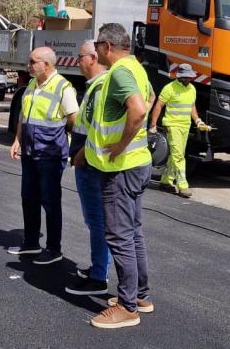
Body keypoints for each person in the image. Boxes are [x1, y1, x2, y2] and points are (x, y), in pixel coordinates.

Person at [85, 23, 154, 329]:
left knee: (119, 235)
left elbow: (139, 110)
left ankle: (127, 307)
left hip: (121, 168)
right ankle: (140, 295)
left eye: (97, 44)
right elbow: (150, 98)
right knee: (134, 232)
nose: (96, 49)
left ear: (108, 46)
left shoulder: (119, 72)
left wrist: (121, 143)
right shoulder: (137, 68)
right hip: (138, 163)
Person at [8, 46, 78, 265]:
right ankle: (31, 243)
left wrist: (73, 149)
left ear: (46, 64)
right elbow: (23, 116)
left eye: (32, 61)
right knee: (28, 198)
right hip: (30, 152)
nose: (28, 65)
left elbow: (74, 120)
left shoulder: (63, 87)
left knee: (50, 202)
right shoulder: (31, 84)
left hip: (50, 154)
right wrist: (18, 139)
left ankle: (53, 249)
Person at [65, 40, 111, 296]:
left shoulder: (101, 86)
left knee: (97, 221)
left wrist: (81, 154)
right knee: (94, 220)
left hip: (91, 164)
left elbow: (97, 129)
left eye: (80, 56)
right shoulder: (93, 86)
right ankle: (98, 267)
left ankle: (98, 277)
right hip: (86, 162)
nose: (77, 61)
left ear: (93, 58)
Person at [148, 63, 209, 198]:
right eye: (185, 77)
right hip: (172, 126)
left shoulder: (192, 89)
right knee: (178, 156)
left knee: (176, 154)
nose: (187, 79)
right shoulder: (169, 88)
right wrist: (153, 125)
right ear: (179, 76)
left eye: (189, 77)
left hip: (185, 126)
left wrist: (198, 121)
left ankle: (166, 181)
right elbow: (158, 106)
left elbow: (191, 106)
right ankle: (183, 186)